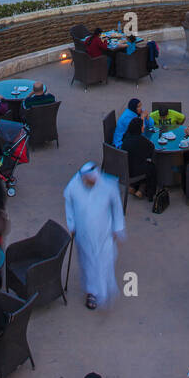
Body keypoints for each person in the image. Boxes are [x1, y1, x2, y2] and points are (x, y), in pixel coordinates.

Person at [63, 162, 125, 309]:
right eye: (89, 181)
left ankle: (105, 289)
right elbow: (69, 205)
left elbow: (116, 206)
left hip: (105, 233)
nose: (92, 183)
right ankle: (92, 292)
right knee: (88, 263)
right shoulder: (74, 186)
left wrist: (118, 228)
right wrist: (71, 225)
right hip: (84, 235)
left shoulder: (107, 185)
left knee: (106, 260)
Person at [122, 117, 157, 201]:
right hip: (134, 171)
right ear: (139, 128)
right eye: (142, 126)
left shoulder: (126, 138)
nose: (143, 127)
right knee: (152, 167)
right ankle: (150, 193)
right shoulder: (143, 142)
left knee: (141, 162)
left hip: (124, 168)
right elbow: (151, 149)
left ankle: (135, 187)